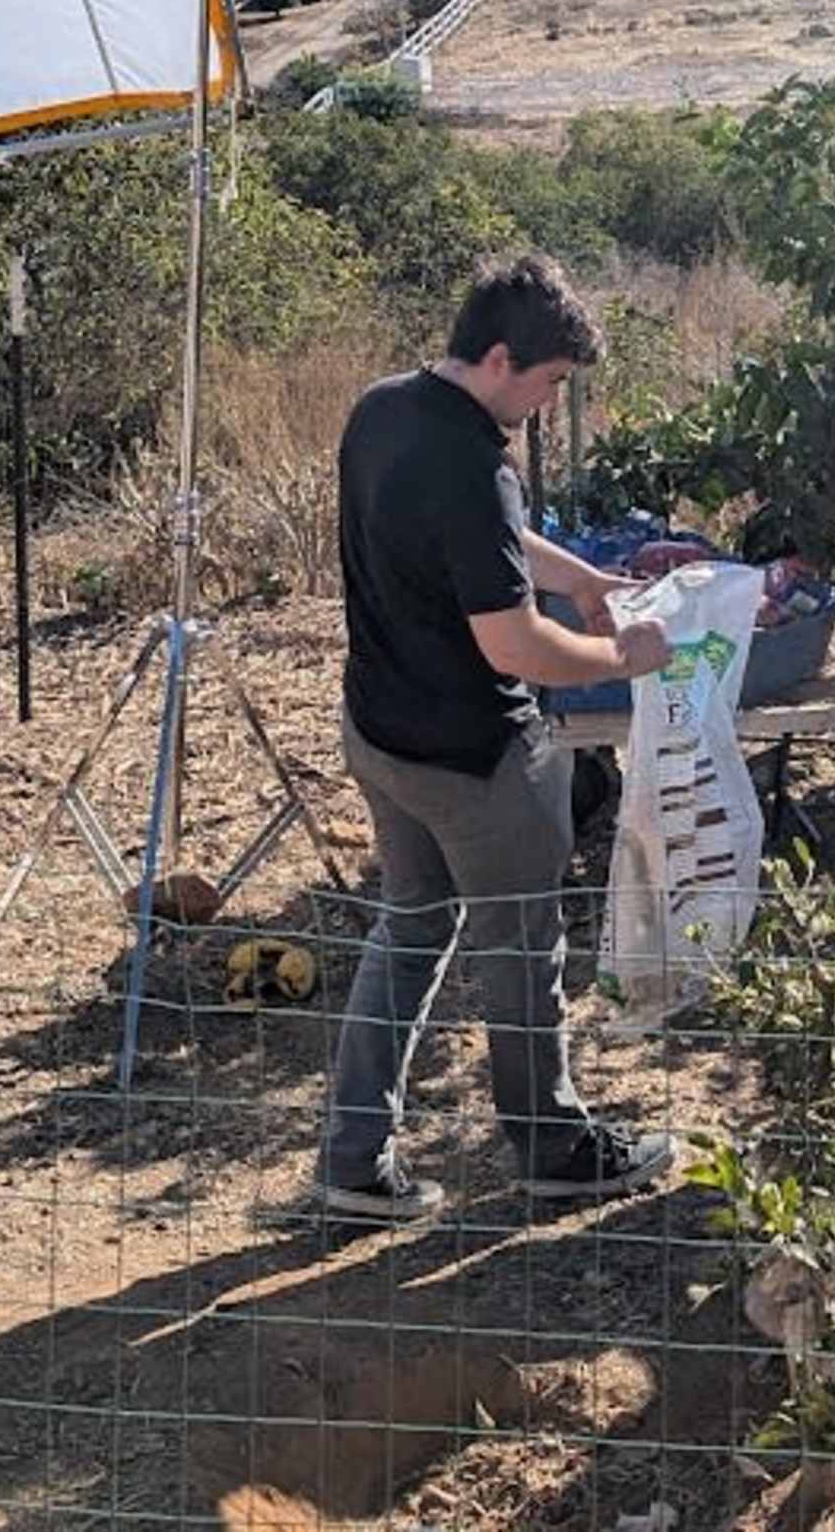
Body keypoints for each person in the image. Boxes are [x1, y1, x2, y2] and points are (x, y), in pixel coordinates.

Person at [317, 254, 681, 1226]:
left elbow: (491, 546)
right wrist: (621, 649)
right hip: (476, 758)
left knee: (409, 932)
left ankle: (353, 1157)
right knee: (522, 950)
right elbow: (512, 640)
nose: (548, 403)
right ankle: (555, 1144)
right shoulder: (473, 461)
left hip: (380, 733)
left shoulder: (381, 408)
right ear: (500, 356)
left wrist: (579, 575)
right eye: (550, 382)